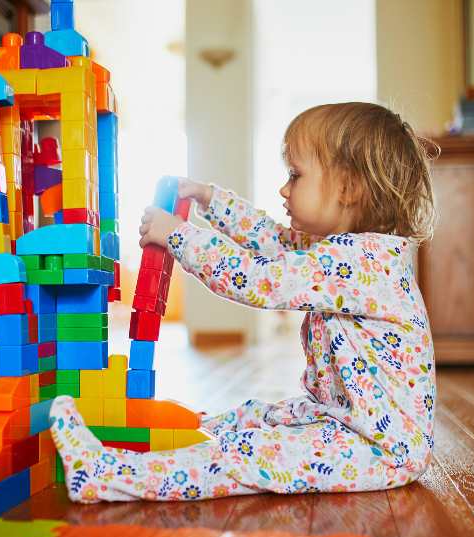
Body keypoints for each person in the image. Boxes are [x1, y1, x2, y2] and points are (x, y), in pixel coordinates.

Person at [49, 102, 439, 503]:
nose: (284, 189)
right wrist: (209, 200)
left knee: (247, 456)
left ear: (348, 189)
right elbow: (271, 241)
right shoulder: (339, 251)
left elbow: (259, 279)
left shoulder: (360, 261)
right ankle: (175, 441)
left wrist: (179, 236)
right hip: (343, 420)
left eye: (296, 175)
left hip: (378, 447)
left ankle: (104, 474)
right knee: (251, 417)